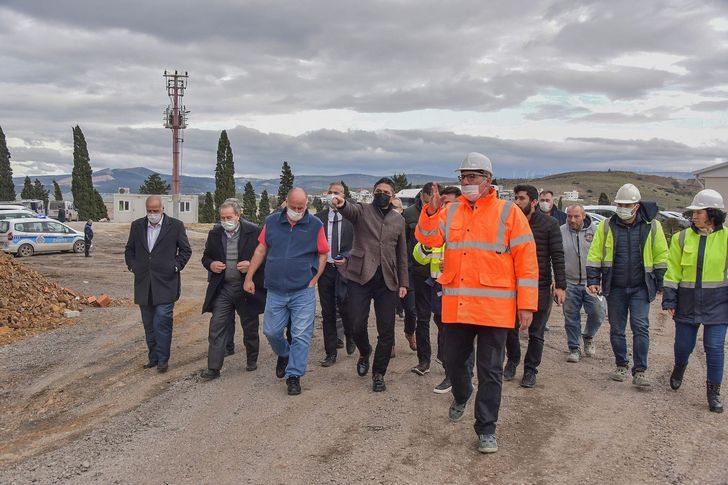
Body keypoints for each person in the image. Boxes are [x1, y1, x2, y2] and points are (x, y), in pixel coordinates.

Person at [416, 152, 538, 454]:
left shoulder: (509, 213)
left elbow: (527, 263)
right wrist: (430, 213)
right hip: (457, 306)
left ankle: (486, 428)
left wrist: (527, 305)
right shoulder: (452, 211)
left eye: (472, 177)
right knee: (454, 361)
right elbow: (428, 238)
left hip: (495, 311)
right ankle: (461, 392)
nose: (466, 182)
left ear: (488, 179)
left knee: (490, 371)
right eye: (463, 177)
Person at [244, 188, 328, 396]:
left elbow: (323, 254)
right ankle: (284, 353)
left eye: (301, 207)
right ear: (285, 203)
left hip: (303, 291)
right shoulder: (272, 222)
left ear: (306, 204)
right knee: (271, 332)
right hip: (275, 289)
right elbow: (261, 250)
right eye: (293, 207)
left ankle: (294, 376)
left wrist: (315, 278)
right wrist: (249, 277)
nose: (297, 211)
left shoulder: (315, 225)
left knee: (301, 334)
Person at [331, 177, 408, 392]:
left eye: (385, 191)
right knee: (356, 324)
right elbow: (349, 210)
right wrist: (341, 204)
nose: (380, 194)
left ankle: (378, 373)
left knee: (387, 332)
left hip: (387, 280)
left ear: (392, 196)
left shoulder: (398, 220)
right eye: (377, 190)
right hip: (360, 276)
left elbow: (402, 254)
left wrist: (404, 282)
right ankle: (364, 351)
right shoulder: (362, 210)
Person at [587, 183, 668, 387]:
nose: (622, 207)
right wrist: (593, 280)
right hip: (615, 287)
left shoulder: (652, 226)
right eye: (620, 204)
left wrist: (661, 281)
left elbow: (661, 255)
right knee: (617, 329)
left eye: (626, 204)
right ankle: (621, 364)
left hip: (641, 287)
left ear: (636, 206)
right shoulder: (606, 226)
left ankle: (640, 370)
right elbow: (595, 254)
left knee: (640, 327)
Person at [663, 189, 728, 413]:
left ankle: (713, 393)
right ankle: (680, 367)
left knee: (715, 348)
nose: (694, 216)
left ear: (712, 213)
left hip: (718, 305)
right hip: (687, 303)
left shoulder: (727, 238)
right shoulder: (681, 238)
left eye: (698, 212)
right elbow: (672, 272)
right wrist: (670, 300)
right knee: (683, 346)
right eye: (693, 212)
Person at [505, 185, 566, 388]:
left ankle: (530, 370)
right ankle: (513, 360)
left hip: (539, 286)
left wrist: (560, 286)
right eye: (515, 198)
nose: (516, 202)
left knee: (536, 332)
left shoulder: (550, 224)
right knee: (510, 329)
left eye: (521, 198)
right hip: (511, 285)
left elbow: (557, 255)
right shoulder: (509, 223)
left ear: (533, 202)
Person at [124, 195, 192, 373]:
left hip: (166, 283)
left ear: (163, 209)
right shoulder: (137, 226)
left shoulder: (175, 226)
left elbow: (186, 250)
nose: (152, 214)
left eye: (155, 210)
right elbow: (129, 249)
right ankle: (153, 357)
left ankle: (163, 359)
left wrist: (175, 267)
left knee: (162, 321)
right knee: (148, 324)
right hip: (144, 283)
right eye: (149, 211)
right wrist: (133, 266)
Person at [199, 199, 266, 380]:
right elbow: (206, 257)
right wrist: (211, 264)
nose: (226, 220)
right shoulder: (215, 233)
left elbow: (266, 256)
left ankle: (252, 359)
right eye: (223, 217)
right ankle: (214, 368)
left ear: (238, 215)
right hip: (223, 288)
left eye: (229, 217)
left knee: (249, 326)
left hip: (246, 287)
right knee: (217, 326)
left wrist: (252, 265)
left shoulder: (254, 231)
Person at [412, 185, 467, 393]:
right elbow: (419, 255)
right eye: (444, 203)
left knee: (454, 334)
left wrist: (455, 264)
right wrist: (427, 246)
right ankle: (448, 370)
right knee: (442, 330)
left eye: (451, 203)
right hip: (437, 287)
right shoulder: (439, 226)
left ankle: (453, 375)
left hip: (460, 290)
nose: (447, 207)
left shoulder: (465, 228)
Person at [315, 182, 356, 367]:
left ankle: (350, 335)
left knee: (347, 308)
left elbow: (359, 243)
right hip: (325, 271)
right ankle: (330, 352)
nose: (333, 195)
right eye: (330, 192)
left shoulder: (352, 218)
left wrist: (347, 257)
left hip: (346, 270)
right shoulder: (318, 219)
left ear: (344, 196)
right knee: (328, 312)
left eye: (337, 192)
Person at [560, 204, 605, 363]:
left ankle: (589, 336)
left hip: (591, 282)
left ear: (584, 216)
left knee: (598, 312)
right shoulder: (561, 232)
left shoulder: (597, 232)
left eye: (576, 216)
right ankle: (574, 348)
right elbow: (555, 258)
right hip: (569, 282)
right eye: (569, 216)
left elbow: (603, 256)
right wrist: (557, 282)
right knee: (571, 317)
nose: (572, 220)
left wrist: (601, 279)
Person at [403, 183, 435, 374]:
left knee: (443, 322)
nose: (432, 198)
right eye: (429, 194)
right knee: (421, 318)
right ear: (423, 195)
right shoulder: (409, 215)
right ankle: (424, 360)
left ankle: (446, 358)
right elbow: (404, 245)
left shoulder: (446, 215)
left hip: (442, 277)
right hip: (419, 274)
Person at [392, 196, 417, 356]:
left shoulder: (408, 228)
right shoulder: (382, 228)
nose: (394, 211)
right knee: (387, 313)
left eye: (396, 207)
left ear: (402, 210)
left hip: (407, 274)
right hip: (389, 275)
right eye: (391, 207)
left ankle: (409, 332)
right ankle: (390, 343)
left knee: (411, 309)